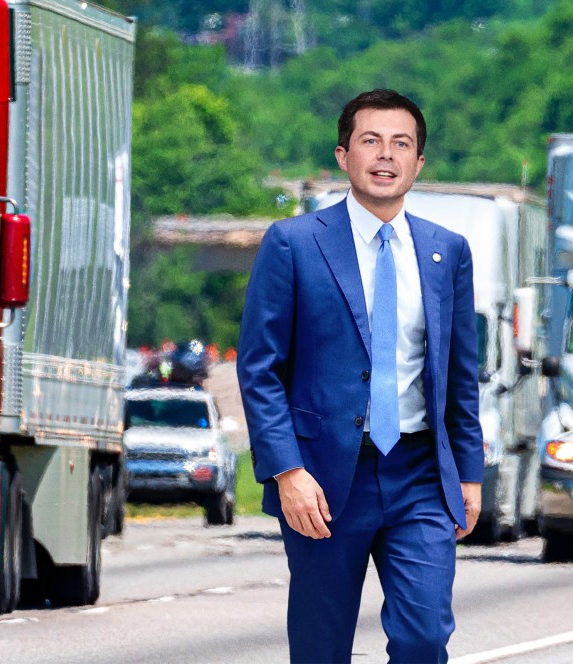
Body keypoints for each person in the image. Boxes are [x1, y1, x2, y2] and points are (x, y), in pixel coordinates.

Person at [237, 89, 483, 663]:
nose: (385, 155)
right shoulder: (294, 244)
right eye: (370, 141)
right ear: (343, 155)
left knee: (424, 636)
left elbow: (459, 375)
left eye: (402, 144)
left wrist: (468, 473)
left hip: (420, 473)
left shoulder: (447, 252)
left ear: (419, 163)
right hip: (323, 478)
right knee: (322, 649)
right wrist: (286, 470)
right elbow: (260, 369)